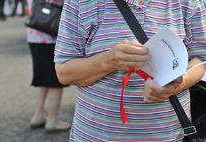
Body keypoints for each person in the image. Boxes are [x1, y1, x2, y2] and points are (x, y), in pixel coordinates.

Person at [54, 0, 206, 141]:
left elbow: (200, 60)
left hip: (170, 135)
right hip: (96, 135)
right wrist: (108, 61)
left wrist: (180, 83)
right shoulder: (82, 3)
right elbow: (64, 73)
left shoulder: (187, 2)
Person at [27, 0, 70, 132]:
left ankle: (38, 115)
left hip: (34, 33)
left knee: (41, 77)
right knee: (54, 80)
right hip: (53, 34)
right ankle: (52, 120)